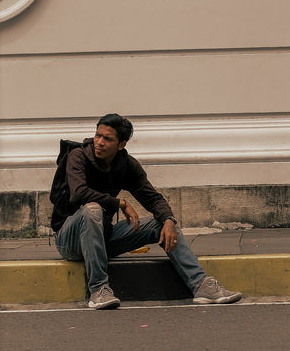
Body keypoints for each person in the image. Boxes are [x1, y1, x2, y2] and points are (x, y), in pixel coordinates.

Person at [51, 113, 242, 309]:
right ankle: (99, 289)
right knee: (93, 209)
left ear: (121, 144)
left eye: (107, 139)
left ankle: (201, 285)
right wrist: (120, 204)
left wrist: (169, 220)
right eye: (97, 135)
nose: (99, 142)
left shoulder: (126, 164)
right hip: (69, 239)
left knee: (163, 224)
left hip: (103, 238)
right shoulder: (78, 156)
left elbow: (153, 198)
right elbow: (78, 193)